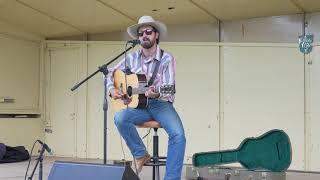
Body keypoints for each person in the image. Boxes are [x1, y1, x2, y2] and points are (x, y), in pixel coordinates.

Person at [106, 15, 186, 180]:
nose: (144, 35)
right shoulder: (131, 58)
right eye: (141, 33)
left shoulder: (166, 59)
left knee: (178, 135)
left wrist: (157, 92)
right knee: (120, 117)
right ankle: (141, 154)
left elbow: (170, 88)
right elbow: (109, 73)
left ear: (156, 35)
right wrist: (112, 89)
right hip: (139, 106)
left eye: (148, 31)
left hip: (160, 105)